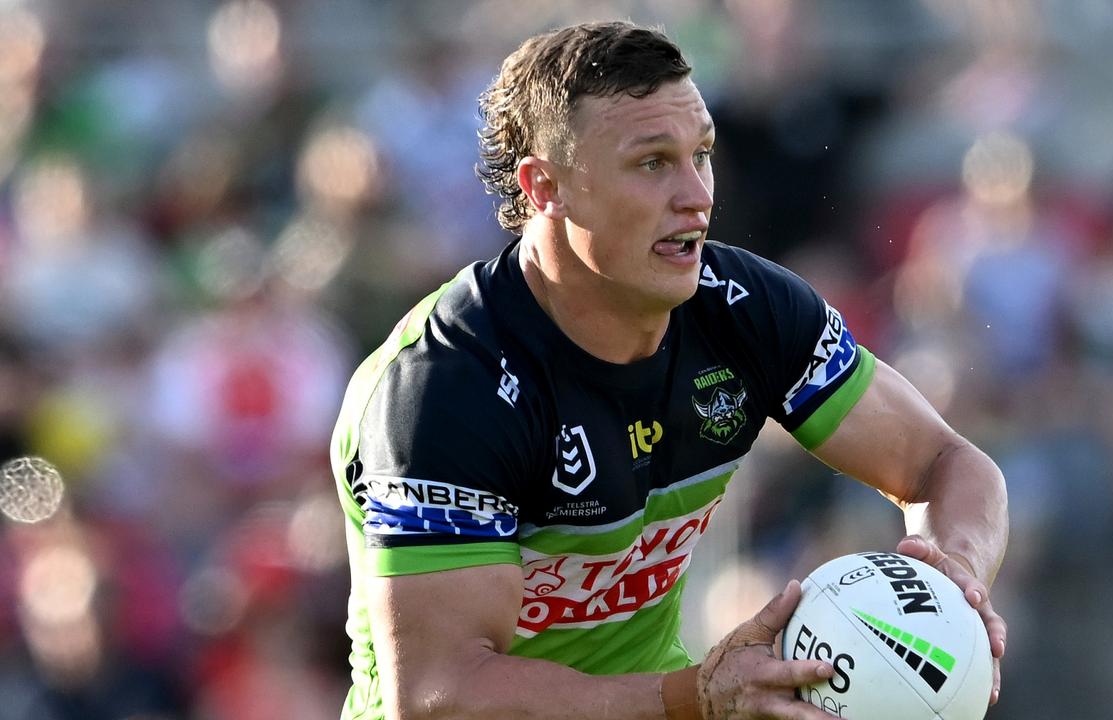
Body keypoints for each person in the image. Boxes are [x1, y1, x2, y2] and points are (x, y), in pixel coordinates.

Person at [330, 21, 1008, 720]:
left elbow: (943, 462)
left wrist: (956, 575)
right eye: (653, 162)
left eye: (703, 154)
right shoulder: (443, 388)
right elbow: (444, 696)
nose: (698, 196)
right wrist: (696, 697)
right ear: (545, 187)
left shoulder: (746, 309)